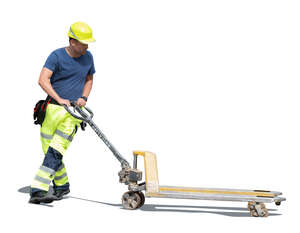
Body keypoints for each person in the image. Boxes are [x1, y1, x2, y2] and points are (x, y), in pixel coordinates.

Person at [29, 21, 96, 204]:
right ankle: (62, 186)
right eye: (83, 42)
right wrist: (59, 99)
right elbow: (43, 80)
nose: (87, 46)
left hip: (73, 113)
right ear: (72, 41)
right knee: (48, 150)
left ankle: (38, 190)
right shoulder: (56, 56)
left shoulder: (88, 57)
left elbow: (89, 79)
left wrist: (84, 98)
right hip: (51, 110)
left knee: (55, 151)